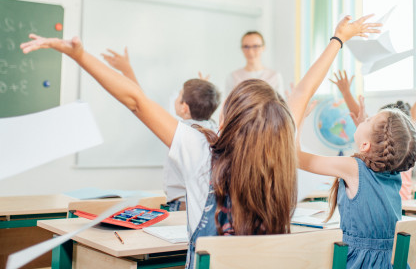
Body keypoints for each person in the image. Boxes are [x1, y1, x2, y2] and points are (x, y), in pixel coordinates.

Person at [21, 14, 378, 267]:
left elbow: (136, 101)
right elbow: (302, 91)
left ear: (229, 117)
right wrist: (338, 40)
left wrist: (79, 55)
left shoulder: (201, 151)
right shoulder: (283, 148)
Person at [295, 72, 416, 267]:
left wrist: (298, 119)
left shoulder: (352, 167)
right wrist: (366, 132)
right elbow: (370, 163)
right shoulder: (393, 174)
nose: (364, 119)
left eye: (368, 121)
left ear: (365, 145)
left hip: (358, 262)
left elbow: (296, 157)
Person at [101, 47, 220, 210]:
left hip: (182, 205)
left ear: (184, 107)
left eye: (179, 95)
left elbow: (141, 103)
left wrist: (126, 70)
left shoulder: (181, 131)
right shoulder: (213, 129)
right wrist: (205, 90)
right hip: (204, 204)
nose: (176, 97)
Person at [330, 70, 416, 200]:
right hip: (403, 201)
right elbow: (412, 119)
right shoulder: (405, 145)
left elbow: (359, 114)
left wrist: (346, 92)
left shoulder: (386, 141)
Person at [224, 31, 283, 96]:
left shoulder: (274, 76)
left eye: (255, 46)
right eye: (246, 47)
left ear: (263, 48)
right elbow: (228, 104)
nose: (250, 51)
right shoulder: (233, 77)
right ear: (242, 49)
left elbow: (280, 104)